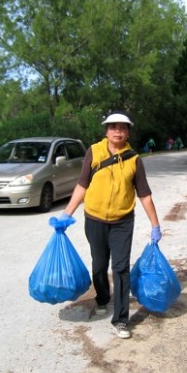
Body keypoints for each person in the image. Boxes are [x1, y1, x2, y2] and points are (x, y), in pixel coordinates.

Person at [57, 112, 162, 340]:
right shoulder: (94, 151)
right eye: (113, 127)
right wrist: (66, 215)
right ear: (106, 131)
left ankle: (121, 319)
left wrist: (155, 225)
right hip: (94, 219)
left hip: (122, 221)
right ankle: (103, 297)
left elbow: (144, 194)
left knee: (121, 268)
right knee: (99, 265)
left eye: (123, 128)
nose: (118, 131)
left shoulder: (134, 159)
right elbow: (82, 185)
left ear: (128, 133)